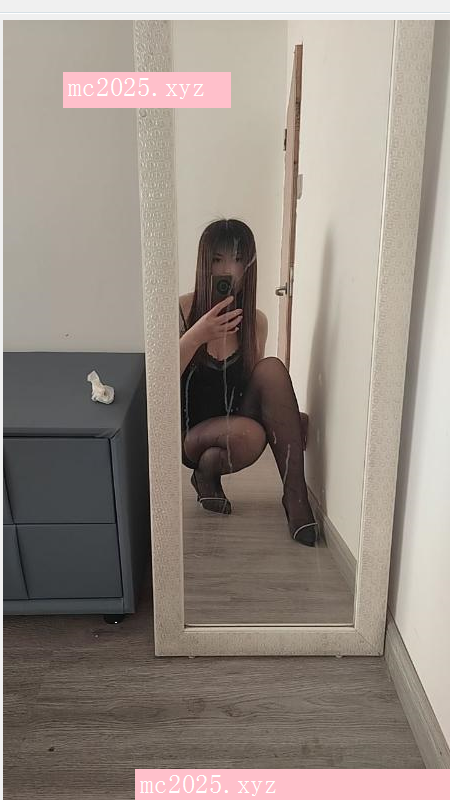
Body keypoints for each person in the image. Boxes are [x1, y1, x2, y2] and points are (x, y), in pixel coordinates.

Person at [179, 218, 319, 547]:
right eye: (218, 259)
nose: (228, 270)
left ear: (249, 266)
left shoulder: (256, 322)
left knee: (271, 369)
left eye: (238, 260)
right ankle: (204, 469)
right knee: (250, 433)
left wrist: (287, 419)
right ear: (204, 263)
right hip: (190, 433)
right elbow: (160, 381)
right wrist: (197, 335)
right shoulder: (183, 309)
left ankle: (294, 496)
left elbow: (252, 389)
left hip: (234, 427)